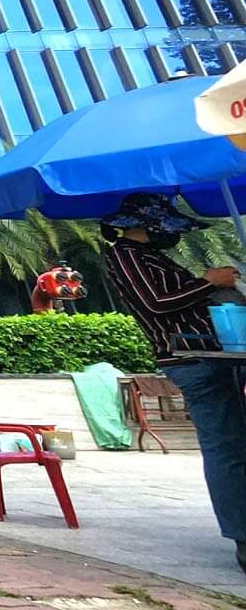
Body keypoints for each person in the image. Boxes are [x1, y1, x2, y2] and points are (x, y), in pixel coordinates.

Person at [99, 192, 246, 574]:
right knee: (225, 447)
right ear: (147, 226)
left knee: (235, 443)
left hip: (216, 354)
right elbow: (156, 304)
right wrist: (207, 282)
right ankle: (242, 537)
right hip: (191, 359)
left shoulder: (150, 255)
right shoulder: (125, 256)